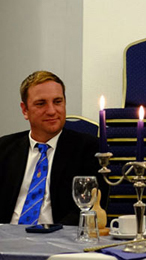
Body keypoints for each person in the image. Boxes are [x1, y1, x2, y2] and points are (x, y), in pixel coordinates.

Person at [0, 71, 105, 226]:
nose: (51, 111)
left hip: (59, 240)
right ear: (25, 110)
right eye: (41, 103)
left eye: (57, 102)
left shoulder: (89, 149)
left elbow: (87, 209)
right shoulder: (4, 149)